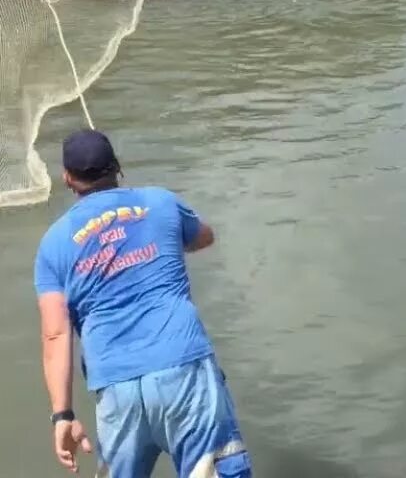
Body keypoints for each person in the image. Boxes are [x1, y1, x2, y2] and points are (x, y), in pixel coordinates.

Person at [33, 128, 251, 478]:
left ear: (68, 179)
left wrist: (63, 415)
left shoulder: (53, 244)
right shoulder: (160, 202)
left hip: (116, 392)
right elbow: (204, 237)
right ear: (117, 167)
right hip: (184, 372)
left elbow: (57, 336)